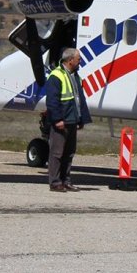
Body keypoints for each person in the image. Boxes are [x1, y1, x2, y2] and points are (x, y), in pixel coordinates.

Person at [45, 48, 91, 192]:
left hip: (72, 121)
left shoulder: (76, 76)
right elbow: (52, 101)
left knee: (69, 153)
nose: (80, 61)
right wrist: (58, 119)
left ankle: (66, 181)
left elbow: (79, 100)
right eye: (78, 59)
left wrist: (81, 119)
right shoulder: (56, 76)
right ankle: (55, 182)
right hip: (61, 122)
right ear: (70, 60)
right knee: (57, 153)